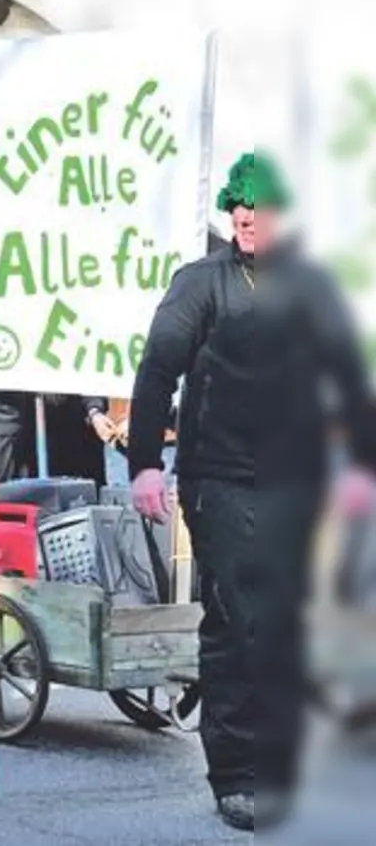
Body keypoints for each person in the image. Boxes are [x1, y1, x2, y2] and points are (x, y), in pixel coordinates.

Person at [129, 153, 376, 832]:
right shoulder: (201, 283)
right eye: (238, 208)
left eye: (259, 210)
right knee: (240, 621)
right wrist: (145, 465)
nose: (246, 218)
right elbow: (156, 372)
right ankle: (236, 775)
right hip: (220, 478)